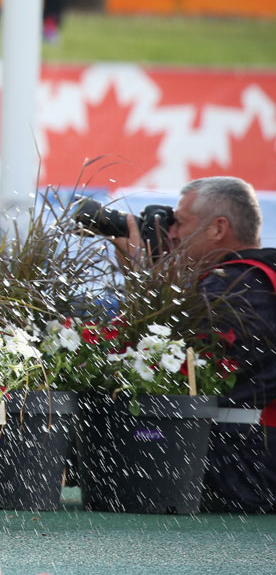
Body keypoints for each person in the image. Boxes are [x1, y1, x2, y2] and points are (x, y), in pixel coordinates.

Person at [114, 176, 276, 513]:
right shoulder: (254, 278)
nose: (170, 234)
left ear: (218, 228)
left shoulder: (239, 290)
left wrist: (142, 278)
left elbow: (164, 365)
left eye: (180, 222)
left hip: (242, 478)